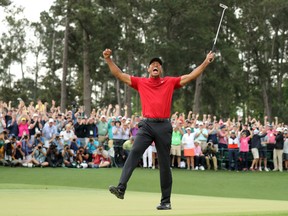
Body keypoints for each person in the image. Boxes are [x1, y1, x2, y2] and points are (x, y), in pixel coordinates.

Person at [103, 48, 214, 210]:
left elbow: (190, 76)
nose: (155, 65)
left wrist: (205, 62)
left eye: (158, 64)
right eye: (153, 64)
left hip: (163, 126)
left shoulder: (169, 82)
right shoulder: (141, 82)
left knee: (164, 163)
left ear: (160, 70)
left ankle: (166, 201)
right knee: (134, 152)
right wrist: (108, 59)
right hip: (147, 125)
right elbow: (119, 75)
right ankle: (121, 188)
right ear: (148, 69)